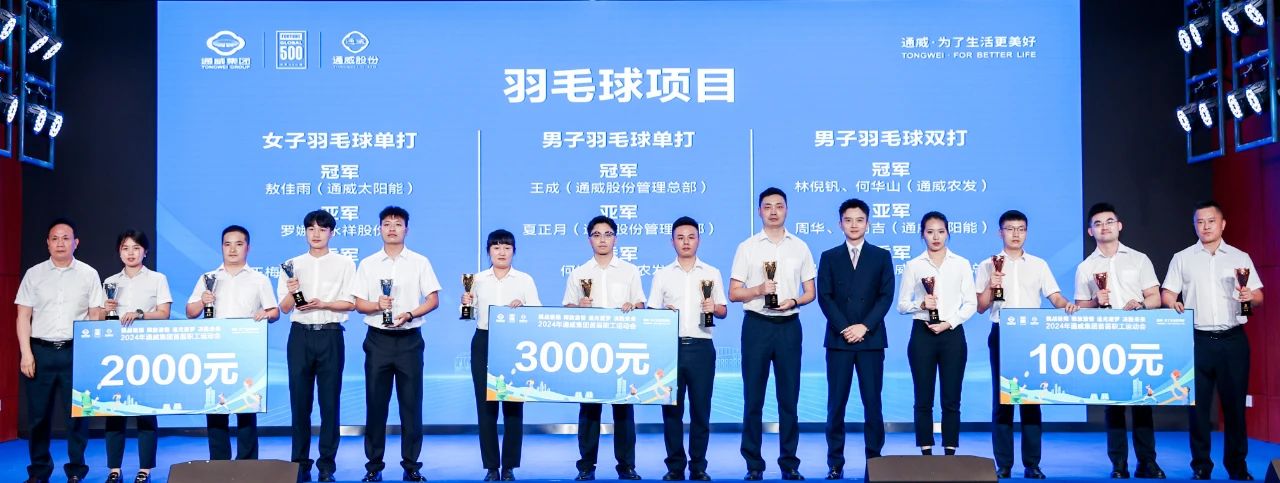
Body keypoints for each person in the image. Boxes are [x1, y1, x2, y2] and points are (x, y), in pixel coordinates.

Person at [1162, 200, 1263, 481]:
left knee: (1235, 408)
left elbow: (1258, 296)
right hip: (1197, 341)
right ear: (1194, 226)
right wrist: (1172, 303)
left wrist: (1250, 297)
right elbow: (1167, 293)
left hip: (1233, 340)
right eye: (1200, 222)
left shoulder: (1240, 257)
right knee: (1197, 408)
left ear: (1222, 224)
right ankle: (1201, 466)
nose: (1205, 226)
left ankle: (1237, 466)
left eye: (1210, 221)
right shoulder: (1182, 258)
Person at [975, 210, 1077, 479]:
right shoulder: (987, 265)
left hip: (1031, 335)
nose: (1016, 234)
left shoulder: (1039, 264)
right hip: (1002, 332)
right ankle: (1004, 464)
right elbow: (981, 307)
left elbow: (1054, 296)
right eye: (1010, 229)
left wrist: (1066, 304)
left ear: (1026, 233)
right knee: (1003, 401)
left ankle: (1032, 464)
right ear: (1000, 232)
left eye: (1021, 229)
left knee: (1031, 399)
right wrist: (991, 285)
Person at [1072, 202, 1165, 479]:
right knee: (1112, 404)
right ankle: (1119, 464)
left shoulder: (1139, 259)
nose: (1105, 227)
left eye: (1109, 221)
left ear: (1119, 225)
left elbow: (1155, 297)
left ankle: (1147, 462)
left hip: (1138, 336)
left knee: (1142, 401)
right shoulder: (1085, 267)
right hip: (1106, 338)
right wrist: (1094, 301)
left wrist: (1141, 305)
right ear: (1090, 231)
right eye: (1098, 223)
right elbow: (1080, 306)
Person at [729, 187, 816, 481]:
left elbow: (811, 292)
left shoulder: (800, 247)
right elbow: (734, 292)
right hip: (756, 326)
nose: (774, 211)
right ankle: (753, 464)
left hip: (789, 326)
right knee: (753, 399)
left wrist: (794, 301)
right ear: (759, 211)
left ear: (787, 209)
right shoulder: (747, 247)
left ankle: (789, 463)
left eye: (779, 206)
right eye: (768, 206)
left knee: (789, 400)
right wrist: (758, 290)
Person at [352, 206, 440, 482]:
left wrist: (410, 314)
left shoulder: (420, 262)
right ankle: (373, 467)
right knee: (375, 406)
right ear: (379, 228)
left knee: (411, 406)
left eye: (398, 224)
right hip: (377, 340)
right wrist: (377, 305)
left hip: (409, 340)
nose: (392, 228)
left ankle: (411, 466)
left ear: (406, 229)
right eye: (387, 223)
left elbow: (433, 299)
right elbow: (358, 304)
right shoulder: (368, 264)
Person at [15, 218, 104, 483]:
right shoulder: (34, 274)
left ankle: (76, 470)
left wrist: (90, 354)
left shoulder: (88, 273)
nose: (60, 243)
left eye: (66, 238)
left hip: (75, 352)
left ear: (76, 243)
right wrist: (26, 353)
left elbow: (96, 315)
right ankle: (39, 470)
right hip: (40, 351)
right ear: (47, 243)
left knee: (77, 416)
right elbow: (23, 316)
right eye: (54, 238)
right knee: (38, 416)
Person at [184, 225, 280, 461]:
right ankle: (220, 462)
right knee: (216, 407)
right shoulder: (208, 278)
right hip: (214, 350)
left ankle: (247, 462)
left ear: (248, 247)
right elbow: (190, 312)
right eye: (227, 244)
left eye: (238, 244)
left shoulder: (259, 279)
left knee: (247, 407)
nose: (233, 249)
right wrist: (203, 301)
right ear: (222, 247)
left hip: (246, 349)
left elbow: (275, 312)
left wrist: (265, 313)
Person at [563, 215, 646, 481]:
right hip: (590, 348)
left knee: (624, 408)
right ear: (589, 239)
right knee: (589, 409)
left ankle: (627, 466)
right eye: (597, 235)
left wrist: (633, 307)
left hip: (622, 347)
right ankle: (586, 466)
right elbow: (567, 308)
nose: (602, 239)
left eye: (608, 234)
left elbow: (641, 303)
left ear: (615, 239)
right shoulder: (578, 273)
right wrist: (579, 307)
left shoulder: (629, 270)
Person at [817, 199, 894, 480]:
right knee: (836, 404)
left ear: (868, 224)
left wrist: (864, 326)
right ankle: (835, 462)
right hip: (839, 341)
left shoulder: (881, 256)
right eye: (848, 220)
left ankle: (874, 461)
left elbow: (886, 296)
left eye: (859, 220)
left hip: (870, 341)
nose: (853, 225)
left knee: (872, 404)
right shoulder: (829, 257)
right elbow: (825, 297)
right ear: (840, 224)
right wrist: (845, 328)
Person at [278, 210, 356, 483]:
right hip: (300, 336)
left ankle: (326, 466)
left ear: (331, 233)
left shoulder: (345, 263)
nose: (316, 234)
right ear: (305, 232)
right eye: (311, 229)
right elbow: (284, 308)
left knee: (329, 403)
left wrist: (324, 304)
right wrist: (292, 290)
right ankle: (300, 464)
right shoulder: (292, 264)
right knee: (300, 403)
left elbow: (351, 303)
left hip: (330, 335)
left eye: (322, 229)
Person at [648, 216, 728, 482]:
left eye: (691, 237)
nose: (686, 242)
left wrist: (714, 308)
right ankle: (675, 466)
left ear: (699, 240)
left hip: (702, 347)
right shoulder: (662, 274)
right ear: (672, 241)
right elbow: (651, 312)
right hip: (670, 349)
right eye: (680, 238)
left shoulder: (711, 273)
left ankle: (698, 466)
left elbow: (723, 310)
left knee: (701, 411)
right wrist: (664, 314)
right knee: (671, 411)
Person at [897, 211, 976, 457]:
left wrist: (949, 323)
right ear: (922, 234)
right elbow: (901, 305)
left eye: (941, 232)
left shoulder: (961, 263)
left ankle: (950, 451)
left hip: (952, 334)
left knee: (951, 397)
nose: (936, 237)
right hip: (922, 334)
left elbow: (971, 303)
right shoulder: (914, 265)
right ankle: (926, 451)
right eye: (930, 232)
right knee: (923, 397)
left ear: (948, 233)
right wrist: (921, 305)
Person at [465, 229, 540, 481]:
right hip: (484, 340)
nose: (501, 252)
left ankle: (509, 467)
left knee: (513, 407)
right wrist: (466, 302)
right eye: (496, 247)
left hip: (514, 343)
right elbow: (467, 316)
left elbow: (537, 314)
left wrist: (522, 309)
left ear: (514, 251)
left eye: (507, 247)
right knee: (486, 407)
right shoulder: (477, 279)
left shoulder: (524, 280)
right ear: (489, 251)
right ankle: (491, 467)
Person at [100, 229, 172, 483]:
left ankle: (145, 470)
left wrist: (140, 314)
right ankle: (114, 470)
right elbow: (99, 317)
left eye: (136, 248)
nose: (130, 253)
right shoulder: (110, 281)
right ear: (119, 252)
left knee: (146, 412)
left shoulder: (157, 279)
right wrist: (105, 310)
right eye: (125, 248)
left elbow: (164, 313)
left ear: (145, 251)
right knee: (113, 411)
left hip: (146, 351)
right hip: (116, 352)